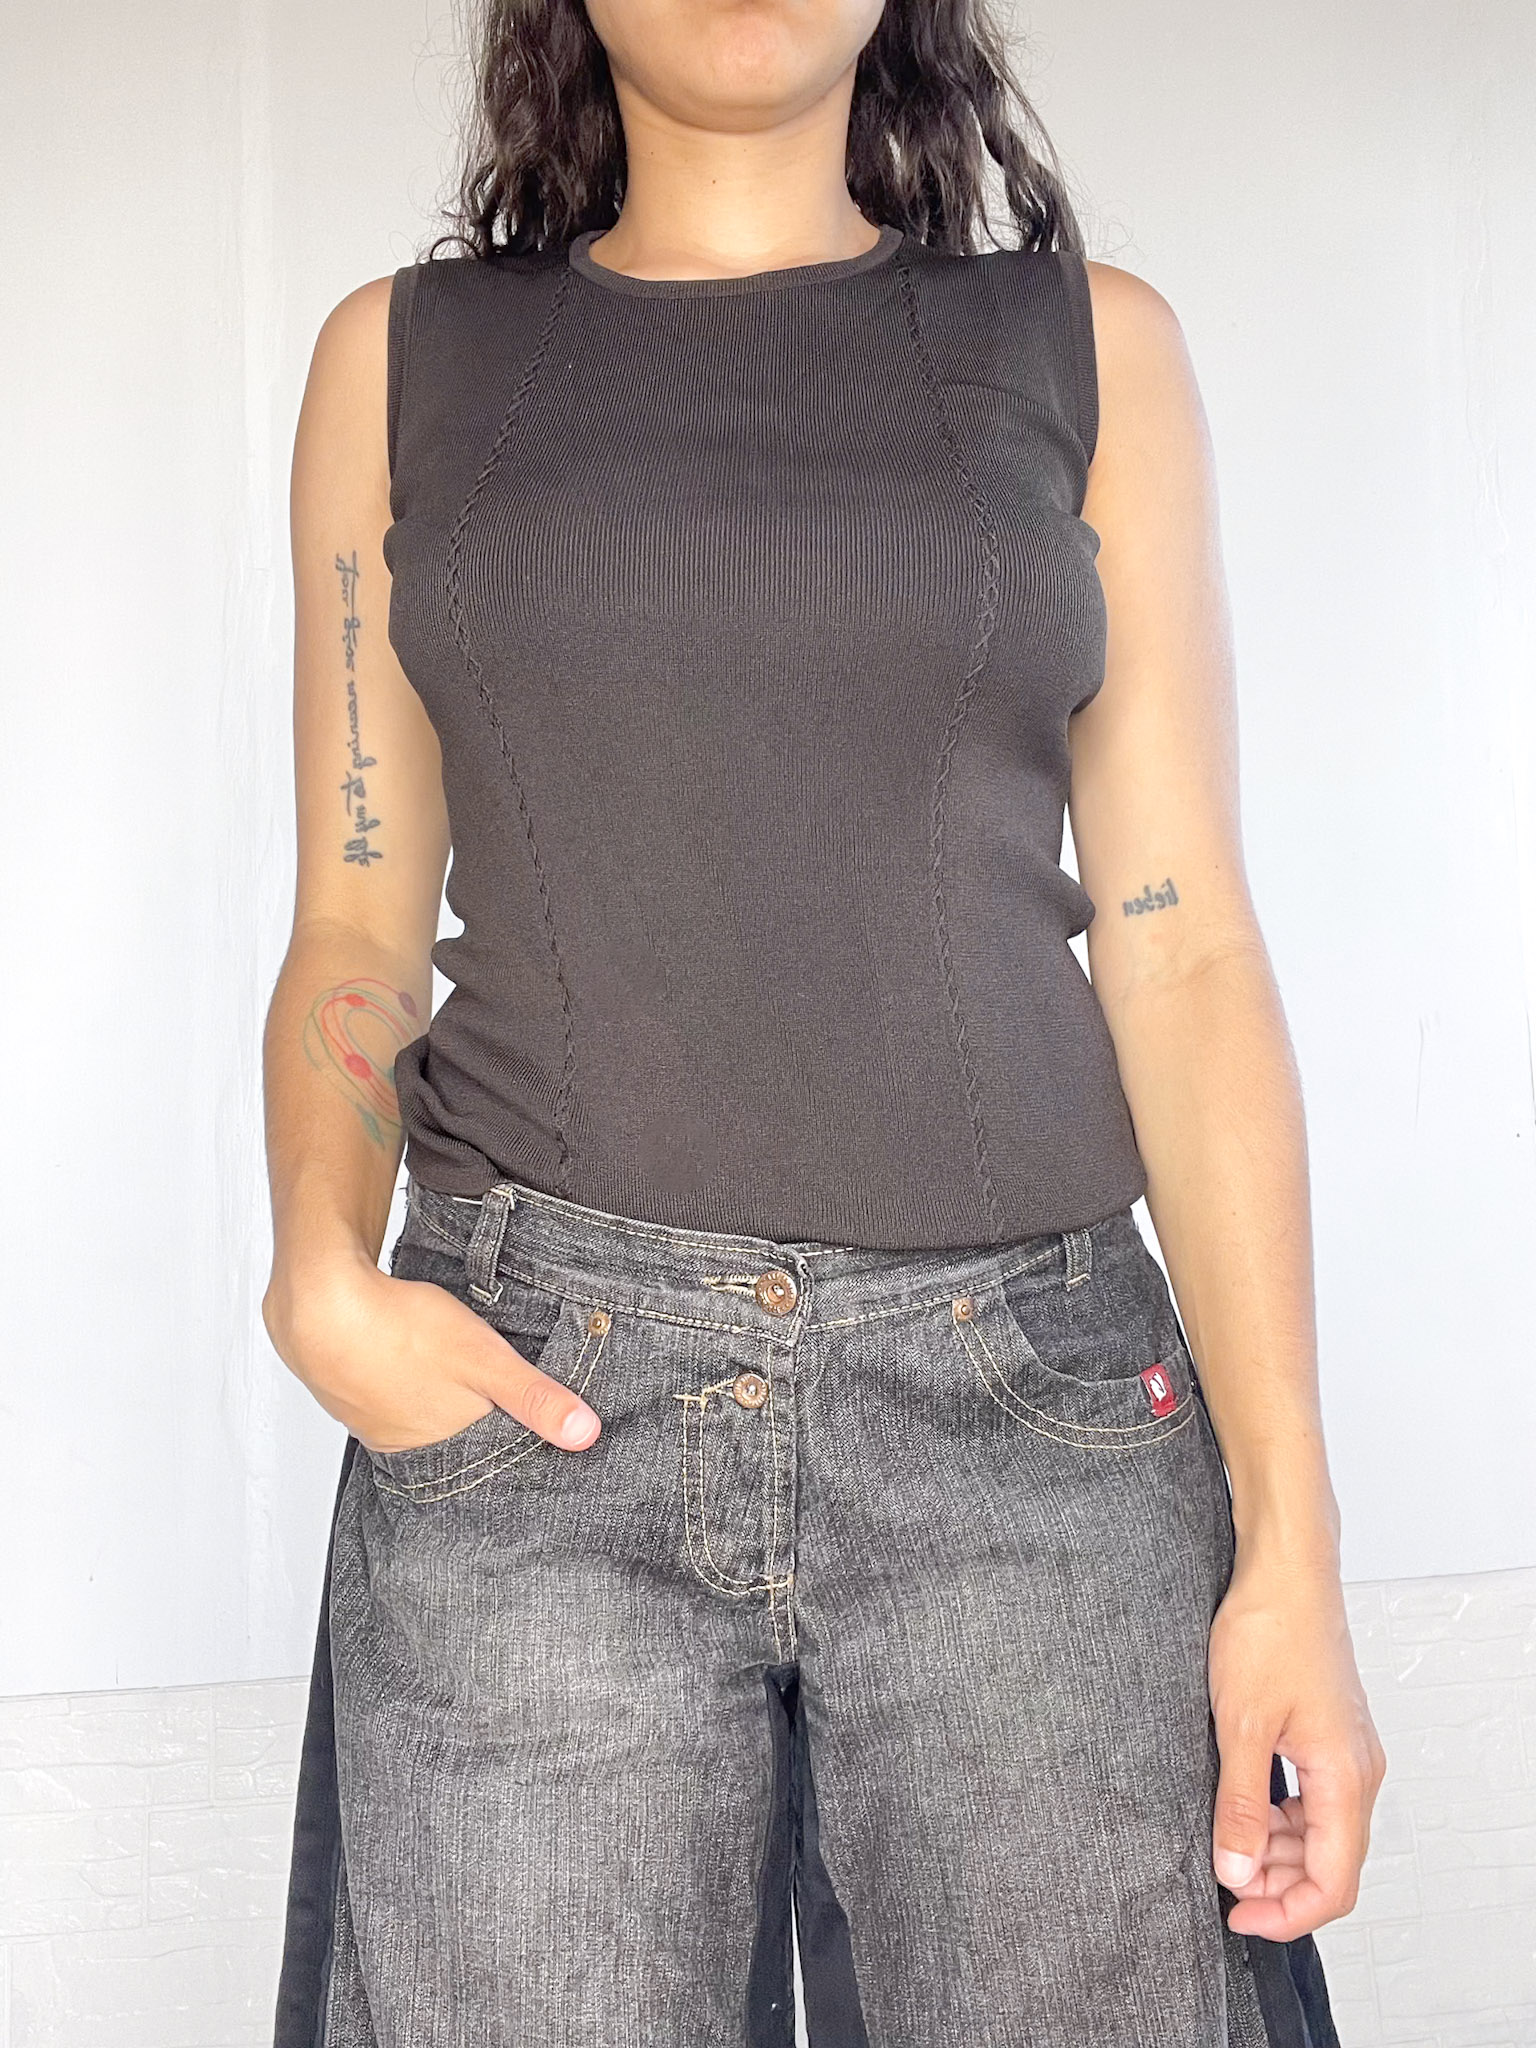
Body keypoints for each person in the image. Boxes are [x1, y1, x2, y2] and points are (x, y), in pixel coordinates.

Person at [261, 1, 1385, 2040]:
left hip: (1036, 1439)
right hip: (536, 1419)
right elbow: (355, 914)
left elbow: (1183, 948)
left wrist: (1292, 1542)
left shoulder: (1091, 349)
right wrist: (318, 1274)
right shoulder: (400, 364)